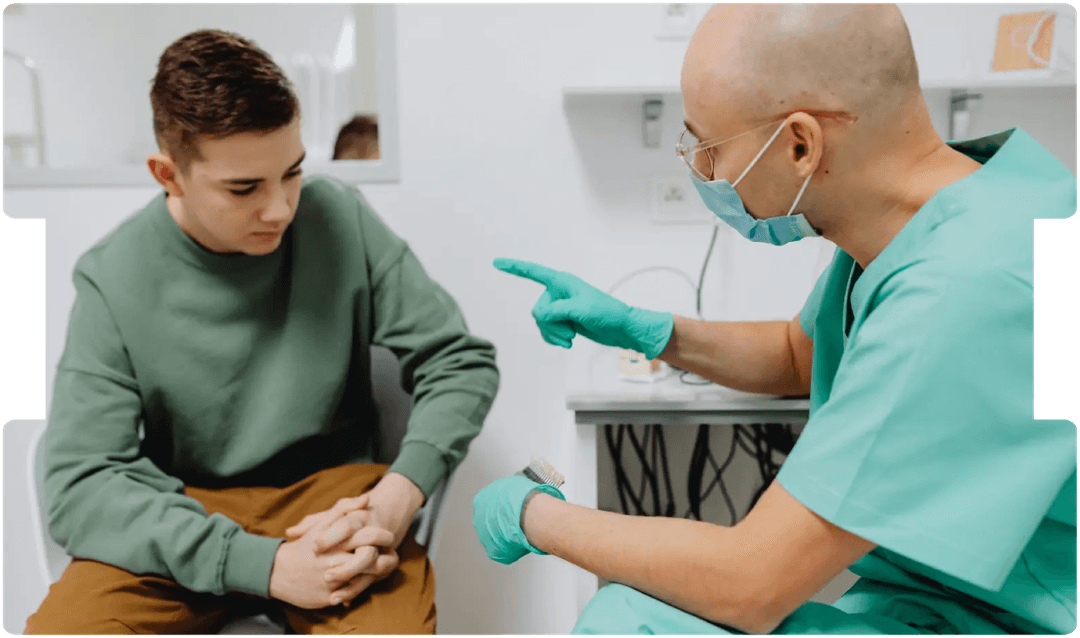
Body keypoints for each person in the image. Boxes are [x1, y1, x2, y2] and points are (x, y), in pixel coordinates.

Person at [473, 3, 1076, 635]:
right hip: (942, 603)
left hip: (1011, 621)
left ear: (798, 145)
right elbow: (802, 352)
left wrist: (533, 517)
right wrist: (651, 330)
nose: (703, 173)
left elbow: (751, 585)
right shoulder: (1002, 208)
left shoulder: (967, 286)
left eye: (705, 148)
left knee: (629, 620)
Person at [26, 29, 499, 635]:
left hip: (336, 504)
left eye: (293, 172)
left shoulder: (340, 218)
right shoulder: (112, 276)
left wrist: (398, 496)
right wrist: (264, 565)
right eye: (244, 188)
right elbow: (80, 482)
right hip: (182, 514)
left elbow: (459, 362)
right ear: (167, 174)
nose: (280, 208)